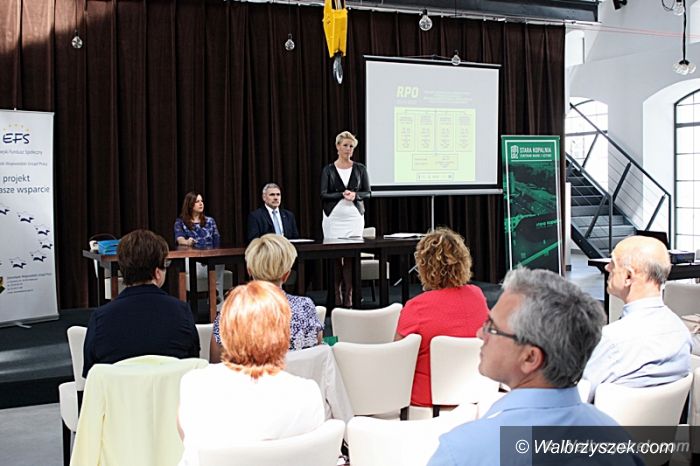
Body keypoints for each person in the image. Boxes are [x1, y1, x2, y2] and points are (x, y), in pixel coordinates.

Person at [428, 268, 638, 466]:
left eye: (491, 327)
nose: (479, 334)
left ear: (530, 358)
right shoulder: (617, 440)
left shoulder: (464, 451)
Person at [177, 281, 325, 466]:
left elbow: (188, 443)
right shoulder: (308, 393)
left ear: (225, 333)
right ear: (283, 335)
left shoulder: (195, 386)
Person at [582, 235, 692, 401]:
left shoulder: (612, 340)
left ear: (628, 276)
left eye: (613, 263)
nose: (607, 267)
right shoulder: (680, 331)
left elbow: (575, 399)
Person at [82, 229, 199, 378]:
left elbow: (91, 375)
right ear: (157, 273)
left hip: (120, 393)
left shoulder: (100, 318)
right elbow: (192, 364)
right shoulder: (182, 312)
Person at [395, 227, 489, 407]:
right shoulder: (477, 296)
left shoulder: (416, 307)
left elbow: (398, 358)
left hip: (427, 400)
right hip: (475, 394)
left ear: (424, 266)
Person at [210, 234, 323, 362]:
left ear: (249, 271)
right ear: (286, 275)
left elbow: (215, 364)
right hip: (296, 374)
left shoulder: (231, 312)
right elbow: (316, 356)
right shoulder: (305, 307)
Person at [320, 130, 370, 307]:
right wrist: (341, 194)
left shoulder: (360, 169)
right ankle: (336, 295)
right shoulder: (328, 170)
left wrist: (355, 195)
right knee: (335, 256)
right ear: (338, 147)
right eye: (345, 145)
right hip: (333, 218)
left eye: (351, 146)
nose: (348, 149)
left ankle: (349, 294)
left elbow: (367, 192)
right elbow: (323, 194)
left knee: (350, 256)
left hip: (354, 218)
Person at [173, 191, 225, 300]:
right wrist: (187, 242)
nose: (201, 204)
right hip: (193, 259)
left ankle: (217, 300)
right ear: (190, 204)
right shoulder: (180, 222)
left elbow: (217, 240)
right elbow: (180, 239)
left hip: (210, 257)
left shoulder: (210, 221)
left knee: (219, 263)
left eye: (202, 201)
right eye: (197, 201)